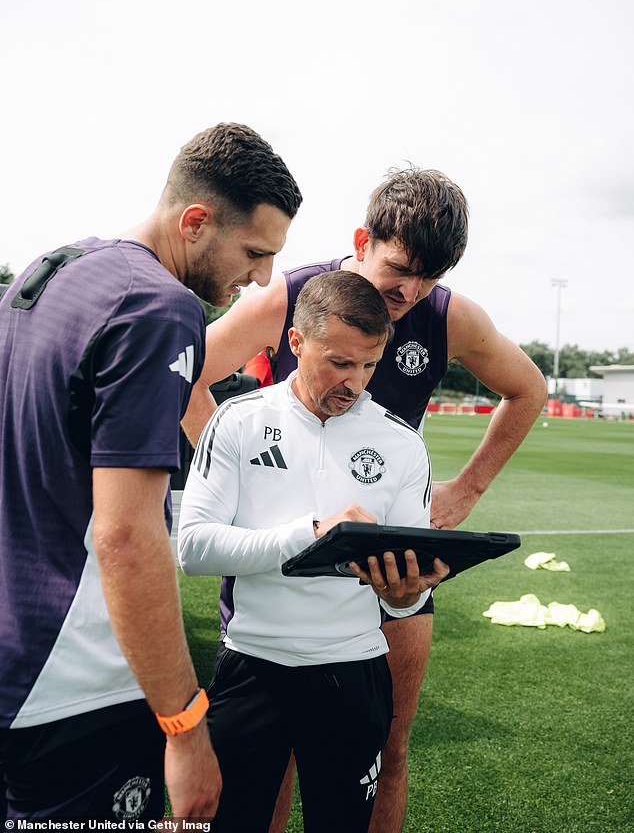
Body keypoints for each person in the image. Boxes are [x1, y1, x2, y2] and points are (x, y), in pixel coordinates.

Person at [180, 166, 548, 832]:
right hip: (278, 573)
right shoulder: (291, 297)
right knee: (271, 764)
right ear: (362, 241)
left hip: (385, 555)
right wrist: (239, 473)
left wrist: (466, 489)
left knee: (390, 748)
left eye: (430, 276)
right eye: (401, 268)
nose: (412, 290)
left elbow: (528, 388)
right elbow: (183, 372)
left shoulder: (447, 315)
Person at [0, 122, 303, 821]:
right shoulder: (158, 307)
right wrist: (185, 725)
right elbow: (127, 537)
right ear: (195, 222)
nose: (261, 278)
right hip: (73, 684)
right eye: (255, 252)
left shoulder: (54, 267)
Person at [178, 271, 449, 833]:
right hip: (253, 665)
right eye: (340, 363)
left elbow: (400, 590)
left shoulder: (402, 443)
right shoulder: (239, 420)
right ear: (295, 343)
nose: (356, 383)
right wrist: (315, 532)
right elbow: (196, 547)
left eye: (370, 365)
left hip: (354, 672)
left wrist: (403, 597)